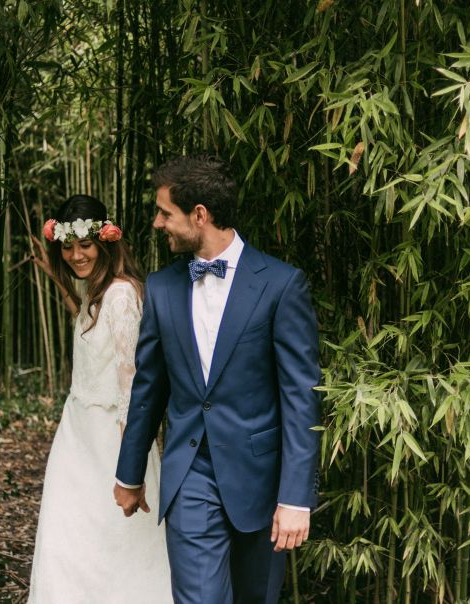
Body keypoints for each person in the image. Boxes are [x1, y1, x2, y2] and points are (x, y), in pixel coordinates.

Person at [114, 156, 321, 604]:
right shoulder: (163, 288)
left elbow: (301, 399)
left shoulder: (281, 285)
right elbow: (149, 389)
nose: (157, 223)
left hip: (262, 482)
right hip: (190, 475)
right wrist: (130, 474)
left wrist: (296, 498)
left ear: (200, 215)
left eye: (165, 212)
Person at [28, 194, 172, 603]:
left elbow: (133, 379)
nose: (75, 255)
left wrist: (132, 462)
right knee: (74, 539)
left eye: (85, 245)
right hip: (79, 435)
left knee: (113, 542)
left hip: (110, 436)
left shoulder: (123, 295)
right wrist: (58, 282)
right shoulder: (98, 291)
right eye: (68, 247)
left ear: (105, 243)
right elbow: (91, 329)